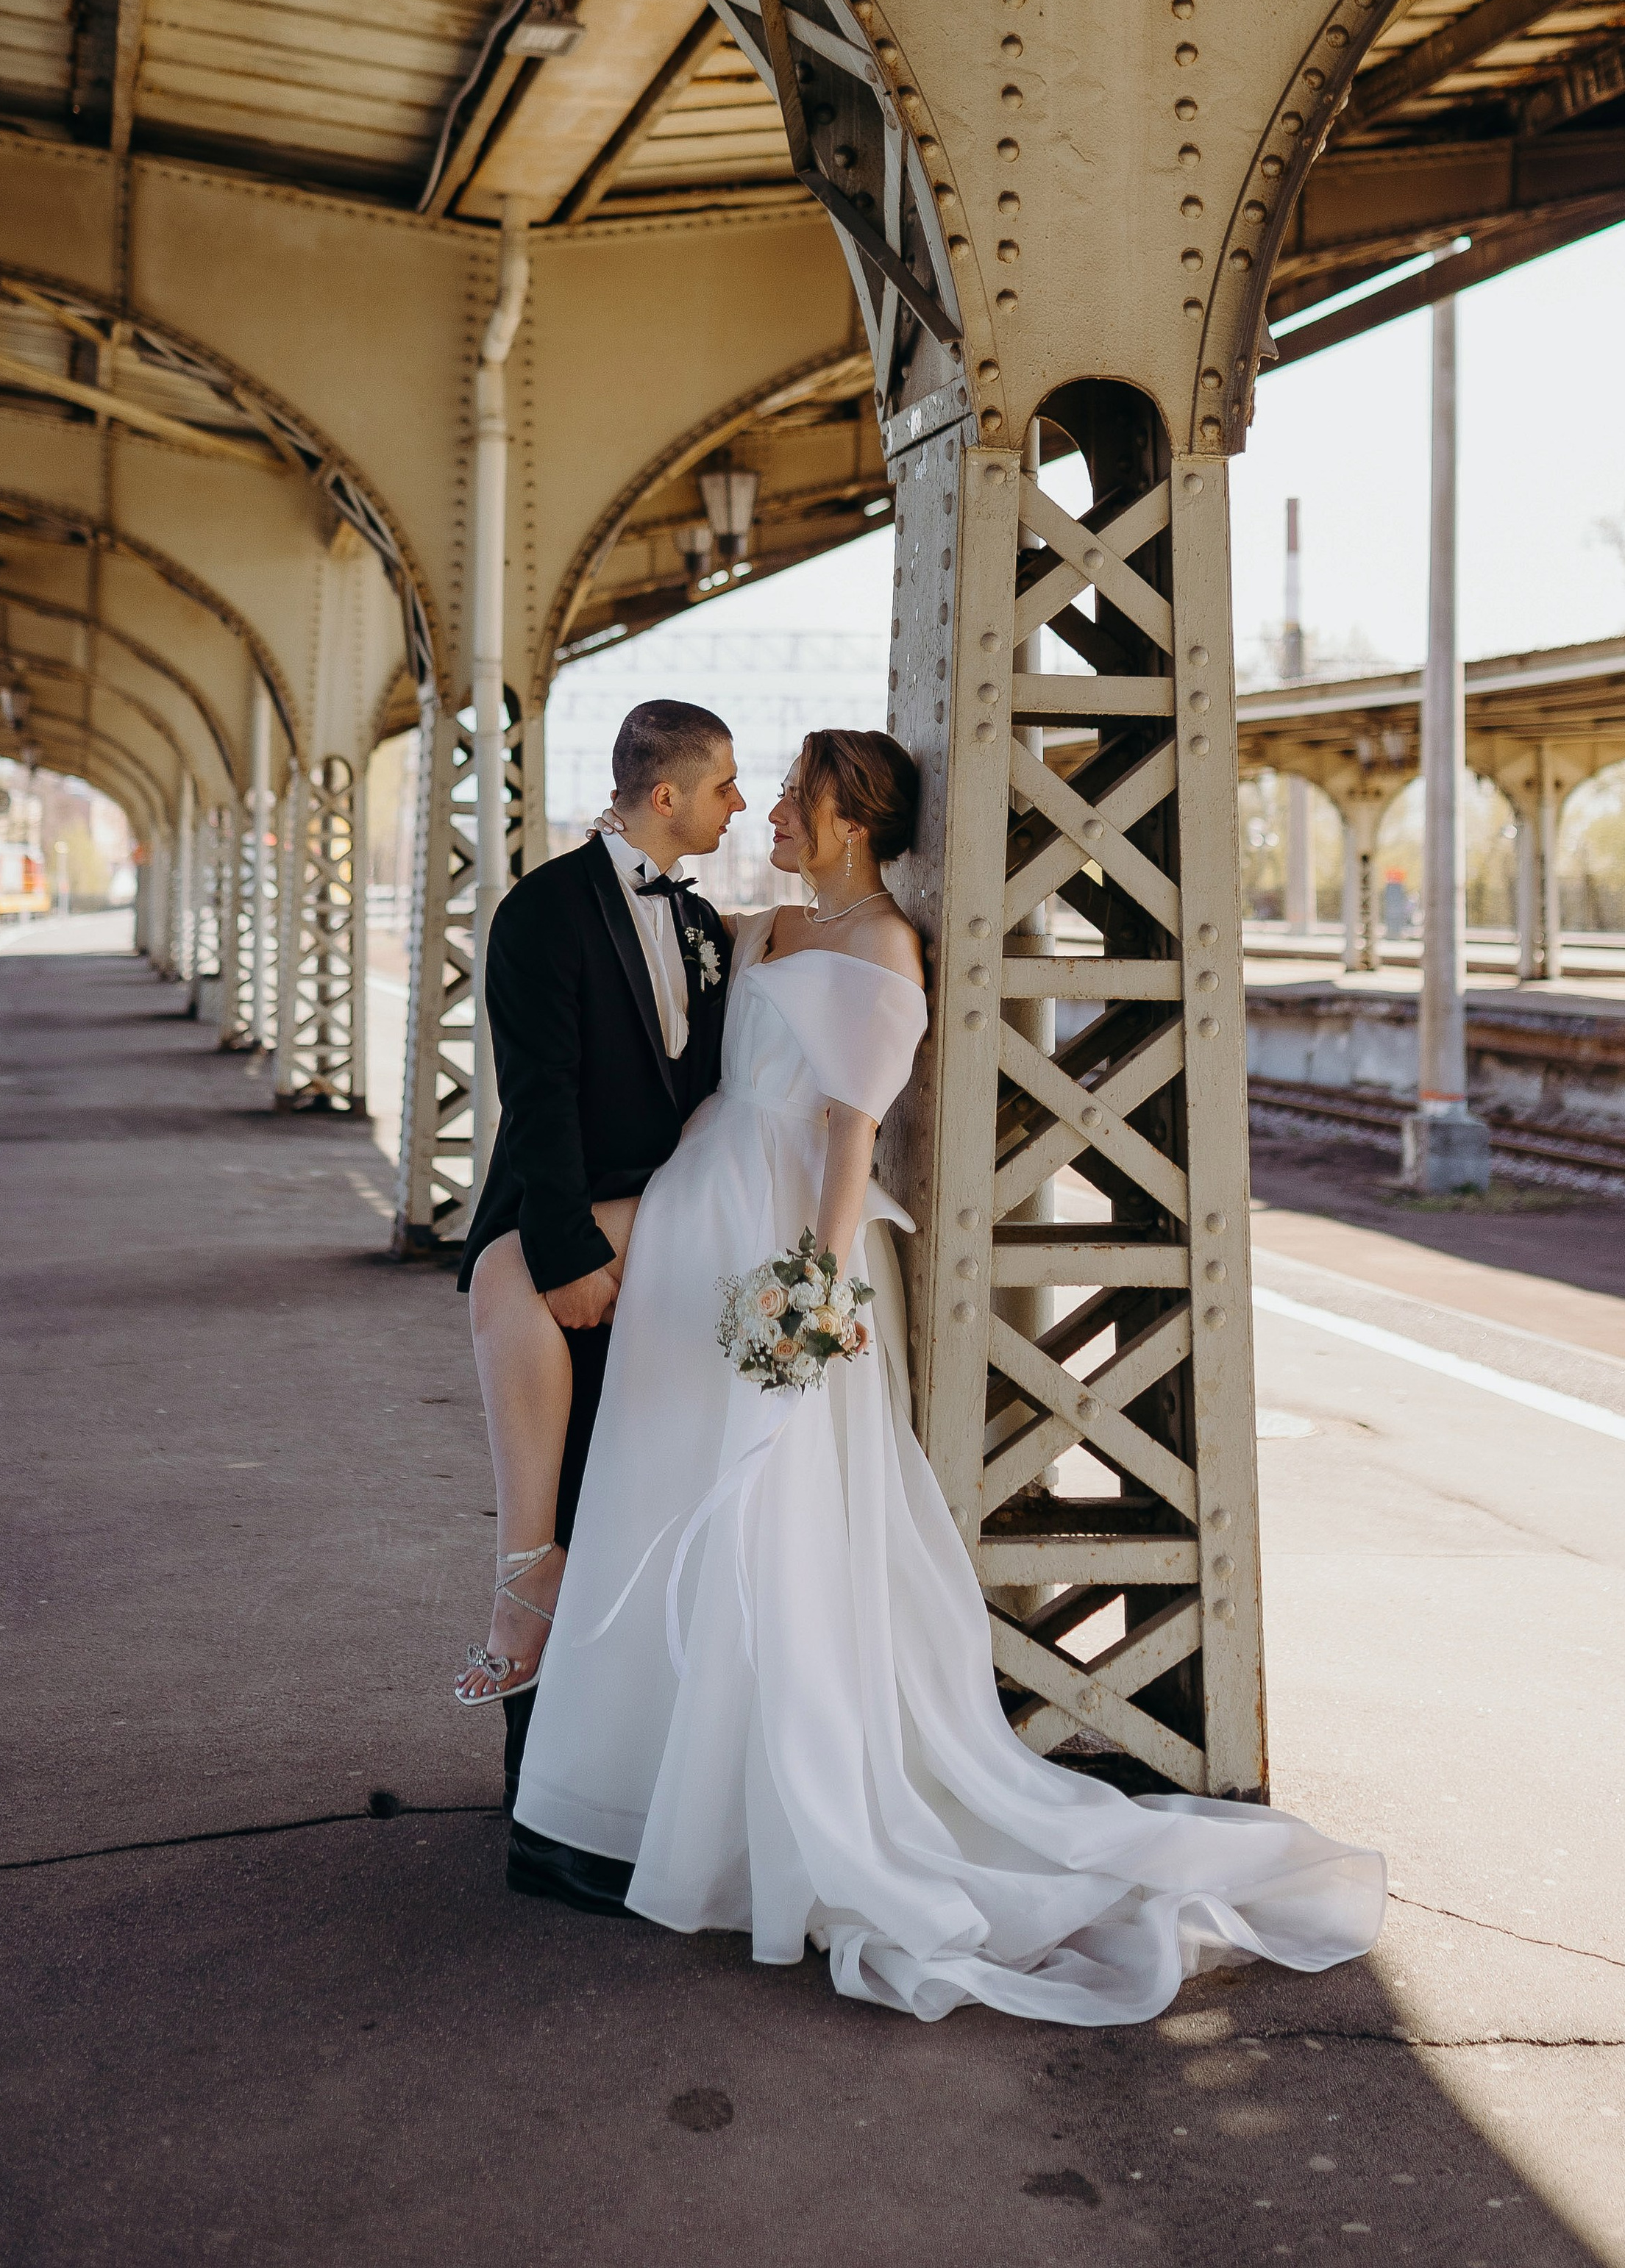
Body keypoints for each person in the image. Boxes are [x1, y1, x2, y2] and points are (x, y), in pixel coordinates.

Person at [511, 727, 1387, 2023]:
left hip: (776, 1238)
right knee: (652, 1486)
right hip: (694, 1214)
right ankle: (616, 1808)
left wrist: (816, 1293)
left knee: (768, 1525)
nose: (768, 814)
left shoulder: (881, 951)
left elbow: (852, 1137)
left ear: (848, 818)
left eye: (792, 798)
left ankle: (750, 1821)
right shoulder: (762, 931)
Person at [454, 698, 743, 1912]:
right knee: (565, 1502)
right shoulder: (542, 912)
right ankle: (538, 1810)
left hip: (671, 1243)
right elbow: (542, 1100)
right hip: (572, 1242)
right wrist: (568, 1256)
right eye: (724, 784)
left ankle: (628, 1784)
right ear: (663, 796)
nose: (739, 801)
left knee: (645, 1515)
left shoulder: (710, 920)